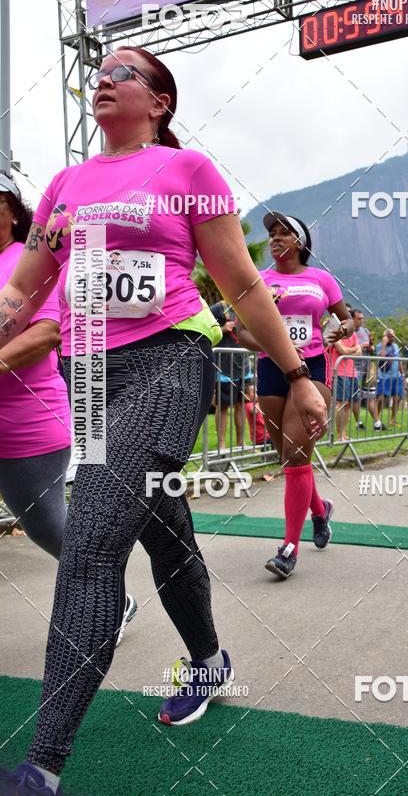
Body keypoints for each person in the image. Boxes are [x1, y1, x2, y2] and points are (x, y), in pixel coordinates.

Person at [0, 47, 328, 795]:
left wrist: (301, 375)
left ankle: (40, 766)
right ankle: (210, 661)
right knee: (164, 531)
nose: (105, 79)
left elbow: (240, 281)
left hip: (168, 365)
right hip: (87, 381)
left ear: (159, 102)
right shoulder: (66, 186)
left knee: (90, 541)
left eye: (125, 73)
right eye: (101, 72)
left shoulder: (188, 174)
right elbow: (22, 289)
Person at [0, 173, 137, 645]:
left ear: (14, 211)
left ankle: (113, 599)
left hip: (26, 426)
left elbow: (48, 332)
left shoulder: (29, 261)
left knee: (49, 528)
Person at [237, 212, 352, 579]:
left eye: (284, 233)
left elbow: (346, 319)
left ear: (300, 242)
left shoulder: (321, 279)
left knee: (296, 453)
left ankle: (288, 548)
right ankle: (320, 511)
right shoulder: (259, 281)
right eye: (271, 233)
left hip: (314, 369)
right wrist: (275, 345)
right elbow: (241, 332)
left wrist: (339, 330)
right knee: (290, 459)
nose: (275, 238)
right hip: (272, 370)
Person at [210, 300, 248, 451]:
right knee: (223, 405)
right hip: (223, 365)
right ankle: (222, 445)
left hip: (242, 363)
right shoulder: (216, 308)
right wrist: (222, 329)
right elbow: (205, 332)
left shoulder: (242, 306)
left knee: (241, 404)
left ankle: (241, 443)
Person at [332, 324, 361, 441]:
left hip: (351, 372)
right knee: (342, 403)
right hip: (339, 371)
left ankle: (343, 434)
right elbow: (341, 349)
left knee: (348, 404)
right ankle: (339, 435)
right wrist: (353, 349)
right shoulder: (334, 332)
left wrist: (349, 351)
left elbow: (360, 352)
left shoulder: (353, 334)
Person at [376, 329, 404, 427]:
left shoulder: (396, 346)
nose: (392, 338)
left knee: (397, 398)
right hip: (384, 377)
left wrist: (402, 374)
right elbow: (382, 357)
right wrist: (384, 344)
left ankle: (393, 420)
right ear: (385, 337)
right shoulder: (379, 346)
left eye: (393, 336)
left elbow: (399, 360)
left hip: (397, 377)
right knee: (381, 398)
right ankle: (377, 418)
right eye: (389, 336)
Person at [350, 308, 370, 430]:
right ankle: (358, 422)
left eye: (362, 318)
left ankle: (366, 422)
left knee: (365, 395)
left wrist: (370, 347)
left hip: (365, 367)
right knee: (352, 397)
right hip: (352, 368)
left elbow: (372, 346)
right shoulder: (348, 332)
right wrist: (359, 347)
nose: (361, 321)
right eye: (358, 319)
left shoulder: (365, 331)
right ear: (352, 319)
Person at [244, 382, 270, 446]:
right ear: (247, 396)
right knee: (277, 439)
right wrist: (260, 400)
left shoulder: (256, 404)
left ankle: (269, 455)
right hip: (260, 437)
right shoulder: (249, 405)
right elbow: (254, 411)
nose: (257, 394)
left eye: (257, 392)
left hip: (265, 435)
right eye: (254, 392)